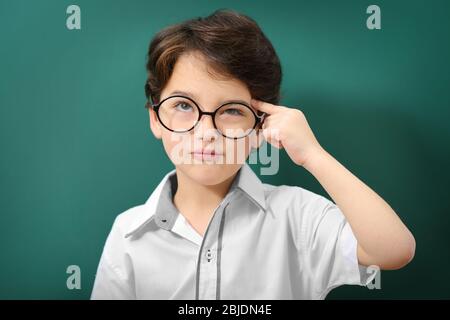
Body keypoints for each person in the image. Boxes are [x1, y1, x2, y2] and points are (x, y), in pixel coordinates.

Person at [91, 9, 415, 300]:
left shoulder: (296, 216)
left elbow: (393, 250)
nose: (206, 133)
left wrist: (312, 154)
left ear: (261, 127)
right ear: (155, 119)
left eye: (231, 110)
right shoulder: (129, 233)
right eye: (183, 106)